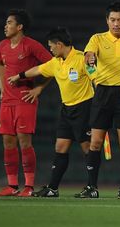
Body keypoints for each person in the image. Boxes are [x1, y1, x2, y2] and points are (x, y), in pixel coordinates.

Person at [7, 27, 95, 197]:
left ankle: (92, 187)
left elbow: (96, 78)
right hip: (66, 109)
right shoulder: (56, 62)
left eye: (51, 46)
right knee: (60, 147)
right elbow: (38, 69)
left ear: (59, 44)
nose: (50, 49)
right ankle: (53, 188)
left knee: (88, 148)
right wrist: (19, 76)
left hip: (84, 108)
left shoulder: (81, 58)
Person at [77, 2, 120, 198]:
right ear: (107, 21)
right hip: (102, 93)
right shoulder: (97, 39)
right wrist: (93, 71)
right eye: (112, 20)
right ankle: (91, 187)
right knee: (95, 142)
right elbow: (88, 57)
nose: (116, 23)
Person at [0, 9, 52, 197]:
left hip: (25, 99)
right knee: (8, 141)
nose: (6, 26)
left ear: (19, 27)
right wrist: (2, 87)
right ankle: (12, 186)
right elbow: (1, 65)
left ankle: (28, 186)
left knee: (24, 140)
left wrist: (39, 88)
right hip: (7, 101)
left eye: (9, 22)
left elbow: (53, 66)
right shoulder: (2, 45)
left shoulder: (31, 45)